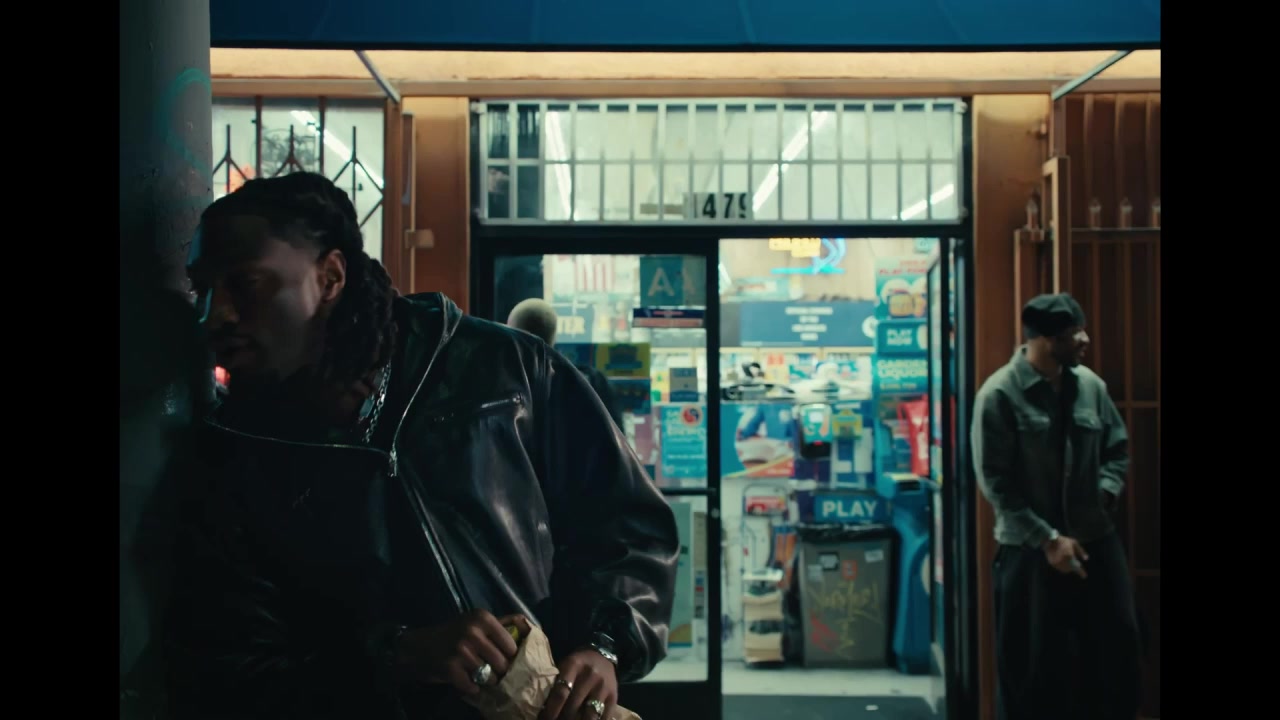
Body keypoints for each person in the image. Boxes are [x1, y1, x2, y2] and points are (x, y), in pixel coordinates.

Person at [169, 172, 678, 720]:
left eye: (246, 284)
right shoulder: (234, 459)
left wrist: (604, 646)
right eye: (202, 290)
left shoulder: (504, 371)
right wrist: (397, 655)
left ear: (330, 276)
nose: (215, 315)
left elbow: (630, 526)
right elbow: (236, 668)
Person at [971, 293, 1140, 720]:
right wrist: (1047, 540)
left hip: (1093, 539)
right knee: (1033, 672)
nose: (1084, 341)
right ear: (1044, 340)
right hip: (1029, 551)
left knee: (1116, 655)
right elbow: (996, 484)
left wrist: (1104, 492)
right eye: (1073, 334)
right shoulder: (999, 395)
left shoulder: (1091, 387)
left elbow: (1117, 449)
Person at [506, 297, 626, 430]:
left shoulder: (503, 387)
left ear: (511, 335)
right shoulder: (591, 384)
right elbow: (616, 435)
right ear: (554, 336)